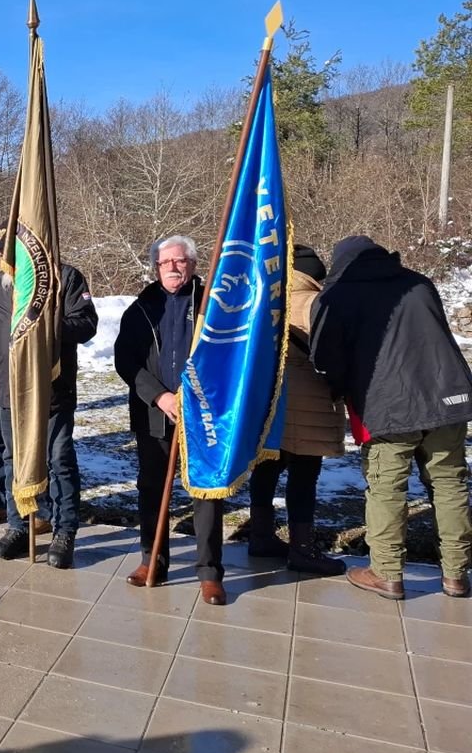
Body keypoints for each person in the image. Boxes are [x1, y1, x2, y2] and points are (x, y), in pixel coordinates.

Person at [310, 235, 472, 599]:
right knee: (449, 485)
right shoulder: (418, 282)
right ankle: (456, 574)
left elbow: (327, 359)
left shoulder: (337, 295)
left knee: (387, 488)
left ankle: (386, 572)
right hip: (448, 398)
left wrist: (340, 389)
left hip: (390, 404)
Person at [114, 234, 228, 606]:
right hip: (155, 414)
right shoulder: (141, 308)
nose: (174, 267)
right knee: (151, 489)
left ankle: (209, 572)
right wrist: (160, 396)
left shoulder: (212, 304)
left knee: (205, 492)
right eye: (166, 262)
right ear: (157, 267)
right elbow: (126, 360)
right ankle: (153, 560)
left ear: (193, 265)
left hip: (205, 414)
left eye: (180, 261)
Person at [0, 237, 99, 563]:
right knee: (14, 462)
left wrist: (47, 323)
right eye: (3, 255)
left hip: (52, 390)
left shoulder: (65, 278)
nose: (6, 260)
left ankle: (64, 530)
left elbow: (87, 324)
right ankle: (19, 525)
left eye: (12, 253)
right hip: (8, 391)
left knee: (58, 461)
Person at [246, 245, 346, 575]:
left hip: (271, 400)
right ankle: (302, 548)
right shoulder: (316, 301)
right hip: (311, 405)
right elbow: (333, 353)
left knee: (268, 469)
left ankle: (261, 535)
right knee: (304, 478)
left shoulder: (266, 296)